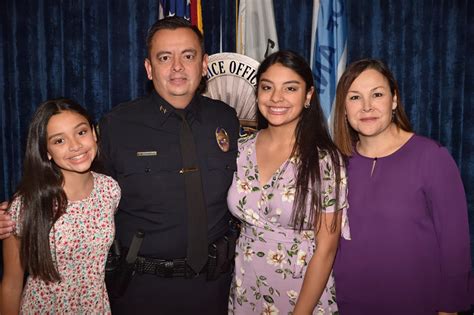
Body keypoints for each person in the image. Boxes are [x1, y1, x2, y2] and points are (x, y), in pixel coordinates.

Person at [97, 17, 240, 314]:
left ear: (204, 64)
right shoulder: (117, 125)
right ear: (149, 69)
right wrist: (27, 210)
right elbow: (82, 194)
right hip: (142, 292)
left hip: (215, 290)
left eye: (188, 56)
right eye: (165, 57)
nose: (177, 67)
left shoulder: (225, 119)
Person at [332, 59, 471, 314]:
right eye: (354, 97)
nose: (366, 106)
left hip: (418, 304)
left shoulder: (431, 156)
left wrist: (450, 309)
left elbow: (455, 246)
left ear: (394, 99)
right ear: (343, 107)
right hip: (347, 305)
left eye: (377, 94)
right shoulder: (335, 164)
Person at [227, 50, 350, 315]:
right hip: (246, 287)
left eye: (290, 88)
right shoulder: (241, 149)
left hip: (301, 292)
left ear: (308, 96)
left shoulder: (325, 160)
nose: (276, 98)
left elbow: (327, 249)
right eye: (267, 87)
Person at [0, 98, 121, 314]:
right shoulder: (26, 204)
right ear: (47, 151)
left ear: (94, 133)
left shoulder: (110, 190)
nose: (75, 146)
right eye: (59, 141)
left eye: (81, 132)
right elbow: (11, 285)